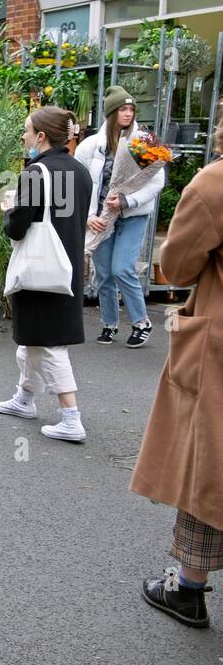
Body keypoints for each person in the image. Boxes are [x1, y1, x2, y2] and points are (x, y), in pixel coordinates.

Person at [132, 111, 223, 627]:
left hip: (218, 344)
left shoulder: (213, 184)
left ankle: (188, 588)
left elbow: (180, 265)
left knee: (208, 459)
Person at [0, 106, 92, 442]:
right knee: (34, 339)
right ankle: (24, 398)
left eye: (27, 130)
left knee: (47, 344)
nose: (24, 136)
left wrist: (8, 211)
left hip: (39, 271)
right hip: (67, 268)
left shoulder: (36, 174)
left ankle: (71, 417)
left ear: (42, 135)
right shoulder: (81, 171)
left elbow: (18, 229)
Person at [75, 86, 165, 348]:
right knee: (103, 272)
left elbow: (157, 181)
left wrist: (128, 200)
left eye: (131, 109)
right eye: (122, 109)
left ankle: (141, 322)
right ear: (111, 113)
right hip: (102, 217)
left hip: (132, 215)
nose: (128, 113)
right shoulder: (90, 146)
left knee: (122, 268)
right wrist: (88, 216)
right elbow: (80, 184)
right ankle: (109, 323)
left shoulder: (145, 141)